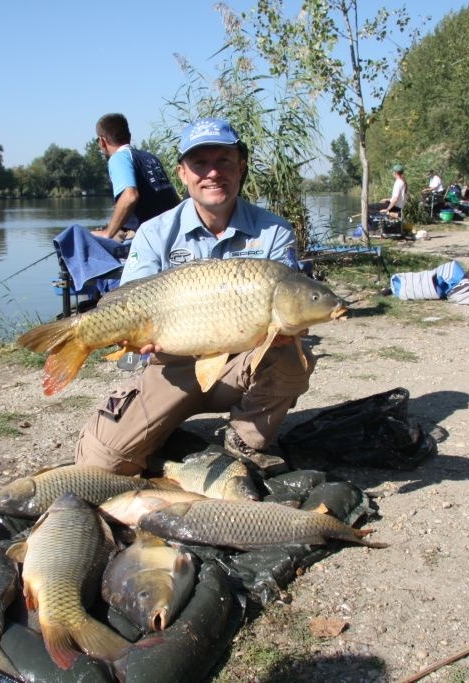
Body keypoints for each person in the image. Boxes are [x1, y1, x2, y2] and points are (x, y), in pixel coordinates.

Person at [75, 118, 308, 476]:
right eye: (200, 163)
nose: (213, 173)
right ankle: (163, 435)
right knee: (101, 465)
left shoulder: (274, 231)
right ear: (182, 173)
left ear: (241, 167)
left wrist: (293, 327)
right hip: (170, 366)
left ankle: (245, 440)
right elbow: (128, 304)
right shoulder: (154, 232)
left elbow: (291, 300)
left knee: (293, 355)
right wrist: (131, 336)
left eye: (224, 161)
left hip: (241, 363)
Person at [92, 113, 180, 241]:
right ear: (129, 136)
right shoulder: (150, 157)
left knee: (83, 236)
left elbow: (130, 196)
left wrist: (108, 233)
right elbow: (171, 197)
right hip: (170, 231)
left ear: (102, 141)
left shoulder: (118, 158)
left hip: (148, 237)